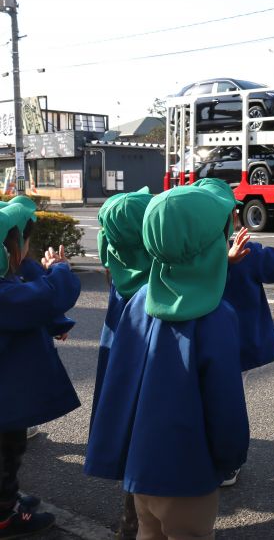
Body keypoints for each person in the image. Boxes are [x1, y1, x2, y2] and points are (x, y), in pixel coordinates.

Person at [85, 185, 249, 539]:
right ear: (212, 246)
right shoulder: (217, 316)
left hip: (140, 468)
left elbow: (120, 383)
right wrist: (231, 456)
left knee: (149, 532)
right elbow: (226, 405)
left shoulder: (140, 298)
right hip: (189, 474)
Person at [193, 178, 274, 487]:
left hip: (192, 346)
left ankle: (198, 454)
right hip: (238, 348)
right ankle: (226, 464)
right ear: (232, 217)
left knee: (198, 400)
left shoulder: (182, 255)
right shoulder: (245, 253)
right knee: (228, 406)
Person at [0, 198, 81, 538]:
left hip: (8, 402)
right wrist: (60, 268)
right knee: (5, 454)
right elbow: (47, 296)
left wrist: (50, 323)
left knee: (11, 451)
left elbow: (28, 309)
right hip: (5, 401)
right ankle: (4, 515)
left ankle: (8, 497)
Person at [93, 188, 155, 540]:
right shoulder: (157, 283)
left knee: (129, 435)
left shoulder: (118, 270)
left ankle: (131, 522)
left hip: (118, 367)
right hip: (150, 378)